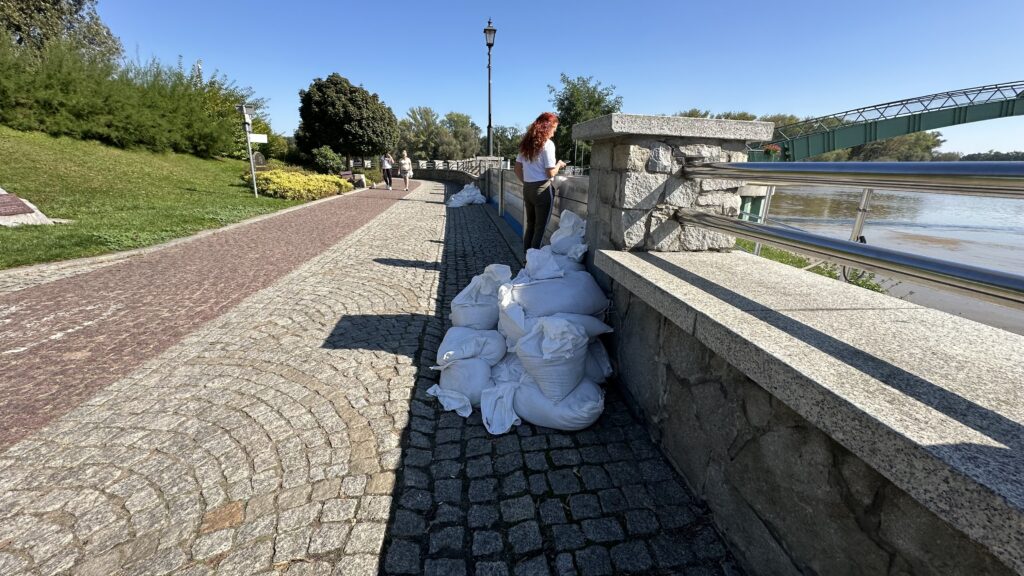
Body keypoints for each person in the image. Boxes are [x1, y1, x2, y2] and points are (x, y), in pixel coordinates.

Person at [515, 112, 566, 252]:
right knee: (540, 228)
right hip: (542, 189)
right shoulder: (548, 144)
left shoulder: (526, 143)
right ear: (546, 127)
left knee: (530, 225)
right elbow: (550, 172)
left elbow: (517, 168)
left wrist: (526, 182)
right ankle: (533, 263)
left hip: (528, 189)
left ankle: (526, 259)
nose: (554, 133)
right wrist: (559, 165)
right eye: (554, 129)